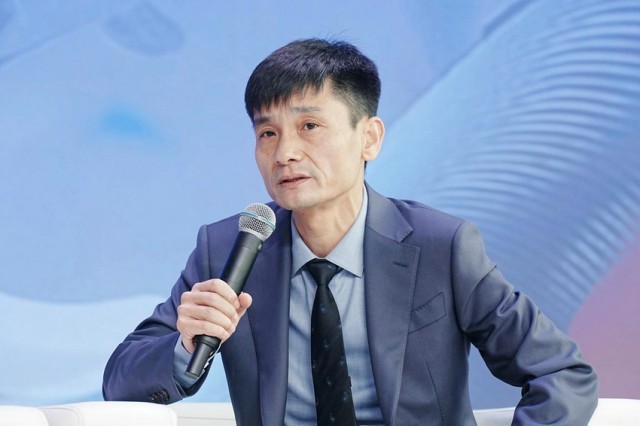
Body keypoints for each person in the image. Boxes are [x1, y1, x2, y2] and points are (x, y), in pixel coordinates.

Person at [103, 38, 598, 425]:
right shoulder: (230, 248)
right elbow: (120, 381)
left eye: (310, 127)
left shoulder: (440, 246)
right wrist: (186, 345)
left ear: (370, 138)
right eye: (267, 133)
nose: (285, 153)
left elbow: (560, 373)